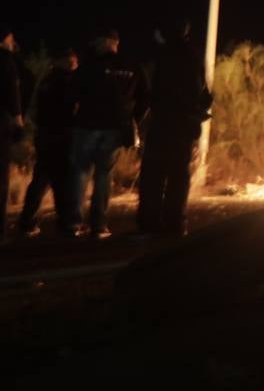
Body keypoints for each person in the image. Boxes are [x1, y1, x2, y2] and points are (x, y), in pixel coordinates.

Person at [67, 28, 149, 238]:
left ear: (104, 42)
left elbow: (71, 94)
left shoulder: (87, 66)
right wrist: (133, 119)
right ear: (116, 43)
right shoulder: (131, 66)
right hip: (113, 129)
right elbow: (146, 97)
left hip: (86, 125)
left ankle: (74, 222)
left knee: (80, 172)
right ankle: (99, 225)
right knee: (104, 175)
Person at [137, 17, 212, 237]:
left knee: (153, 175)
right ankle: (176, 222)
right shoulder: (194, 56)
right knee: (179, 175)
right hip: (185, 124)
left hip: (163, 123)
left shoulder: (161, 55)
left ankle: (150, 222)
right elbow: (203, 92)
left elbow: (150, 90)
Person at [17, 47, 79, 236]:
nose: (76, 66)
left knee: (40, 180)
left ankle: (27, 221)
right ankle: (67, 223)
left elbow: (37, 110)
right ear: (68, 62)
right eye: (74, 62)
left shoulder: (46, 81)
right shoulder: (70, 82)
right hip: (62, 136)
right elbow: (73, 109)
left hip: (44, 135)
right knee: (62, 182)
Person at [1, 23, 25, 243]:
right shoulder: (6, 61)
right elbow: (12, 93)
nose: (13, 42)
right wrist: (19, 122)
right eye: (10, 38)